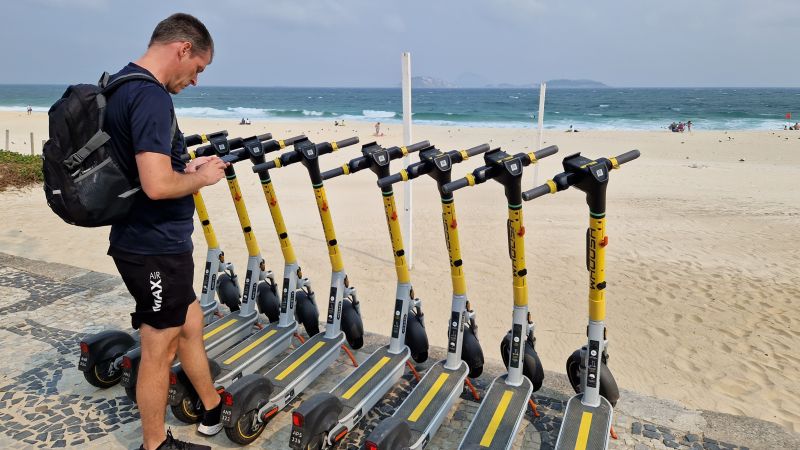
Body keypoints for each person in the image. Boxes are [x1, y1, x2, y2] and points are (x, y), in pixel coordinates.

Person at [104, 13, 226, 450]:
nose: (195, 81)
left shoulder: (119, 83)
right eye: (198, 69)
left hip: (145, 240)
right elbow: (156, 186)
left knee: (189, 320)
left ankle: (211, 404)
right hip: (153, 246)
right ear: (183, 49)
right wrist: (202, 178)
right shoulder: (151, 97)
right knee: (160, 348)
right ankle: (154, 445)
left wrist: (182, 168)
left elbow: (140, 170)